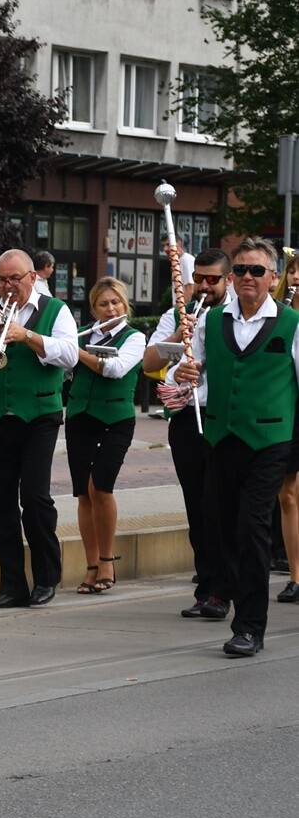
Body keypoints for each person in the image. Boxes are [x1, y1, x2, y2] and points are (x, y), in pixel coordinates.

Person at [175, 237, 299, 657]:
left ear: (273, 278)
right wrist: (187, 371)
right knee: (224, 530)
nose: (247, 277)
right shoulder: (211, 320)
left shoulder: (292, 323)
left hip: (269, 441)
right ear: (231, 277)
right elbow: (191, 373)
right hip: (220, 438)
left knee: (252, 530)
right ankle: (228, 600)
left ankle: (249, 627)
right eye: (241, 270)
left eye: (257, 271)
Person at [0, 248, 78, 608]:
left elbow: (70, 355)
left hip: (40, 415)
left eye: (14, 279)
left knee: (35, 499)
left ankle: (46, 577)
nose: (6, 286)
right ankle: (12, 586)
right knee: (1, 503)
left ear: (32, 277)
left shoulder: (56, 310)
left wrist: (28, 337)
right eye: (1, 279)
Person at [146, 248, 233, 619]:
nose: (204, 286)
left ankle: (224, 590)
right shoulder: (177, 313)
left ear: (227, 280)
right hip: (187, 417)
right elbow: (149, 363)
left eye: (212, 279)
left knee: (221, 506)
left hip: (223, 417)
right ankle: (206, 587)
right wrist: (179, 340)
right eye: (199, 278)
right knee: (196, 506)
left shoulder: (236, 313)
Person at [65, 277, 145, 594]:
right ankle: (91, 565)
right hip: (80, 417)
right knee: (84, 493)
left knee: (101, 485)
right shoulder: (84, 334)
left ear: (124, 304)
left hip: (116, 419)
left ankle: (107, 560)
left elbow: (114, 369)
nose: (110, 308)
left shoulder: (135, 337)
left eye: (115, 302)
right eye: (103, 303)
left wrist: (75, 350)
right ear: (94, 308)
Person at [272, 250, 299, 603]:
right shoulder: (277, 315)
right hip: (286, 410)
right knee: (287, 495)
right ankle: (296, 575)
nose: (296, 277)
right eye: (292, 271)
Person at [162, 233, 195, 305]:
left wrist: (176, 311)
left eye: (168, 244)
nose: (165, 249)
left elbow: (190, 290)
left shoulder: (186, 260)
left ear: (179, 243)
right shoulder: (179, 261)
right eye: (163, 245)